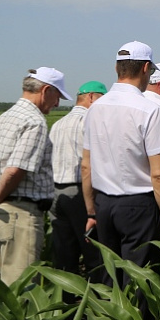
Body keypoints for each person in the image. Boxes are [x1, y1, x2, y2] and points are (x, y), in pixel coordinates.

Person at [82, 41, 160, 289]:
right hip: (138, 207)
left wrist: (91, 211)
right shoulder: (148, 109)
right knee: (139, 281)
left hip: (104, 204)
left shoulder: (95, 108)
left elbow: (86, 167)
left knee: (110, 277)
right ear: (146, 68)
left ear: (116, 68)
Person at [0, 67, 70, 285]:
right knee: (21, 293)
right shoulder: (34, 121)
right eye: (57, 96)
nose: (58, 104)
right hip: (19, 215)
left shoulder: (2, 119)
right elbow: (16, 168)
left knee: (7, 289)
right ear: (46, 90)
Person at [48, 80, 105, 282]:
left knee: (64, 253)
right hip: (80, 193)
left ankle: (66, 304)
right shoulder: (89, 122)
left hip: (55, 193)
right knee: (92, 252)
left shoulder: (57, 125)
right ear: (91, 97)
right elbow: (88, 166)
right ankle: (98, 303)